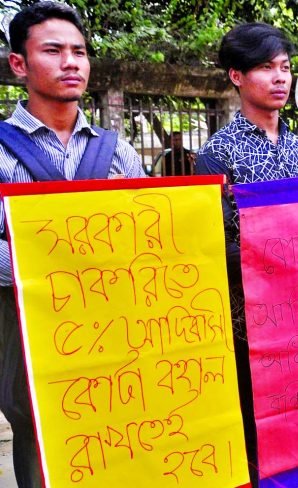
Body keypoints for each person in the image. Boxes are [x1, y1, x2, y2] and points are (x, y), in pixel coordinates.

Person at [0, 3, 147, 487]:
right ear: (19, 64)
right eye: (53, 51)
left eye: (79, 52)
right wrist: (57, 264)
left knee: (115, 430)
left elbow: (150, 237)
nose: (71, 63)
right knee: (37, 435)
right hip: (26, 331)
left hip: (111, 332)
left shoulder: (117, 151)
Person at [194, 22, 298, 483]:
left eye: (285, 68)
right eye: (266, 68)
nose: (280, 78)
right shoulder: (216, 154)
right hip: (251, 320)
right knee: (255, 427)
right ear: (236, 77)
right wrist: (271, 253)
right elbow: (213, 243)